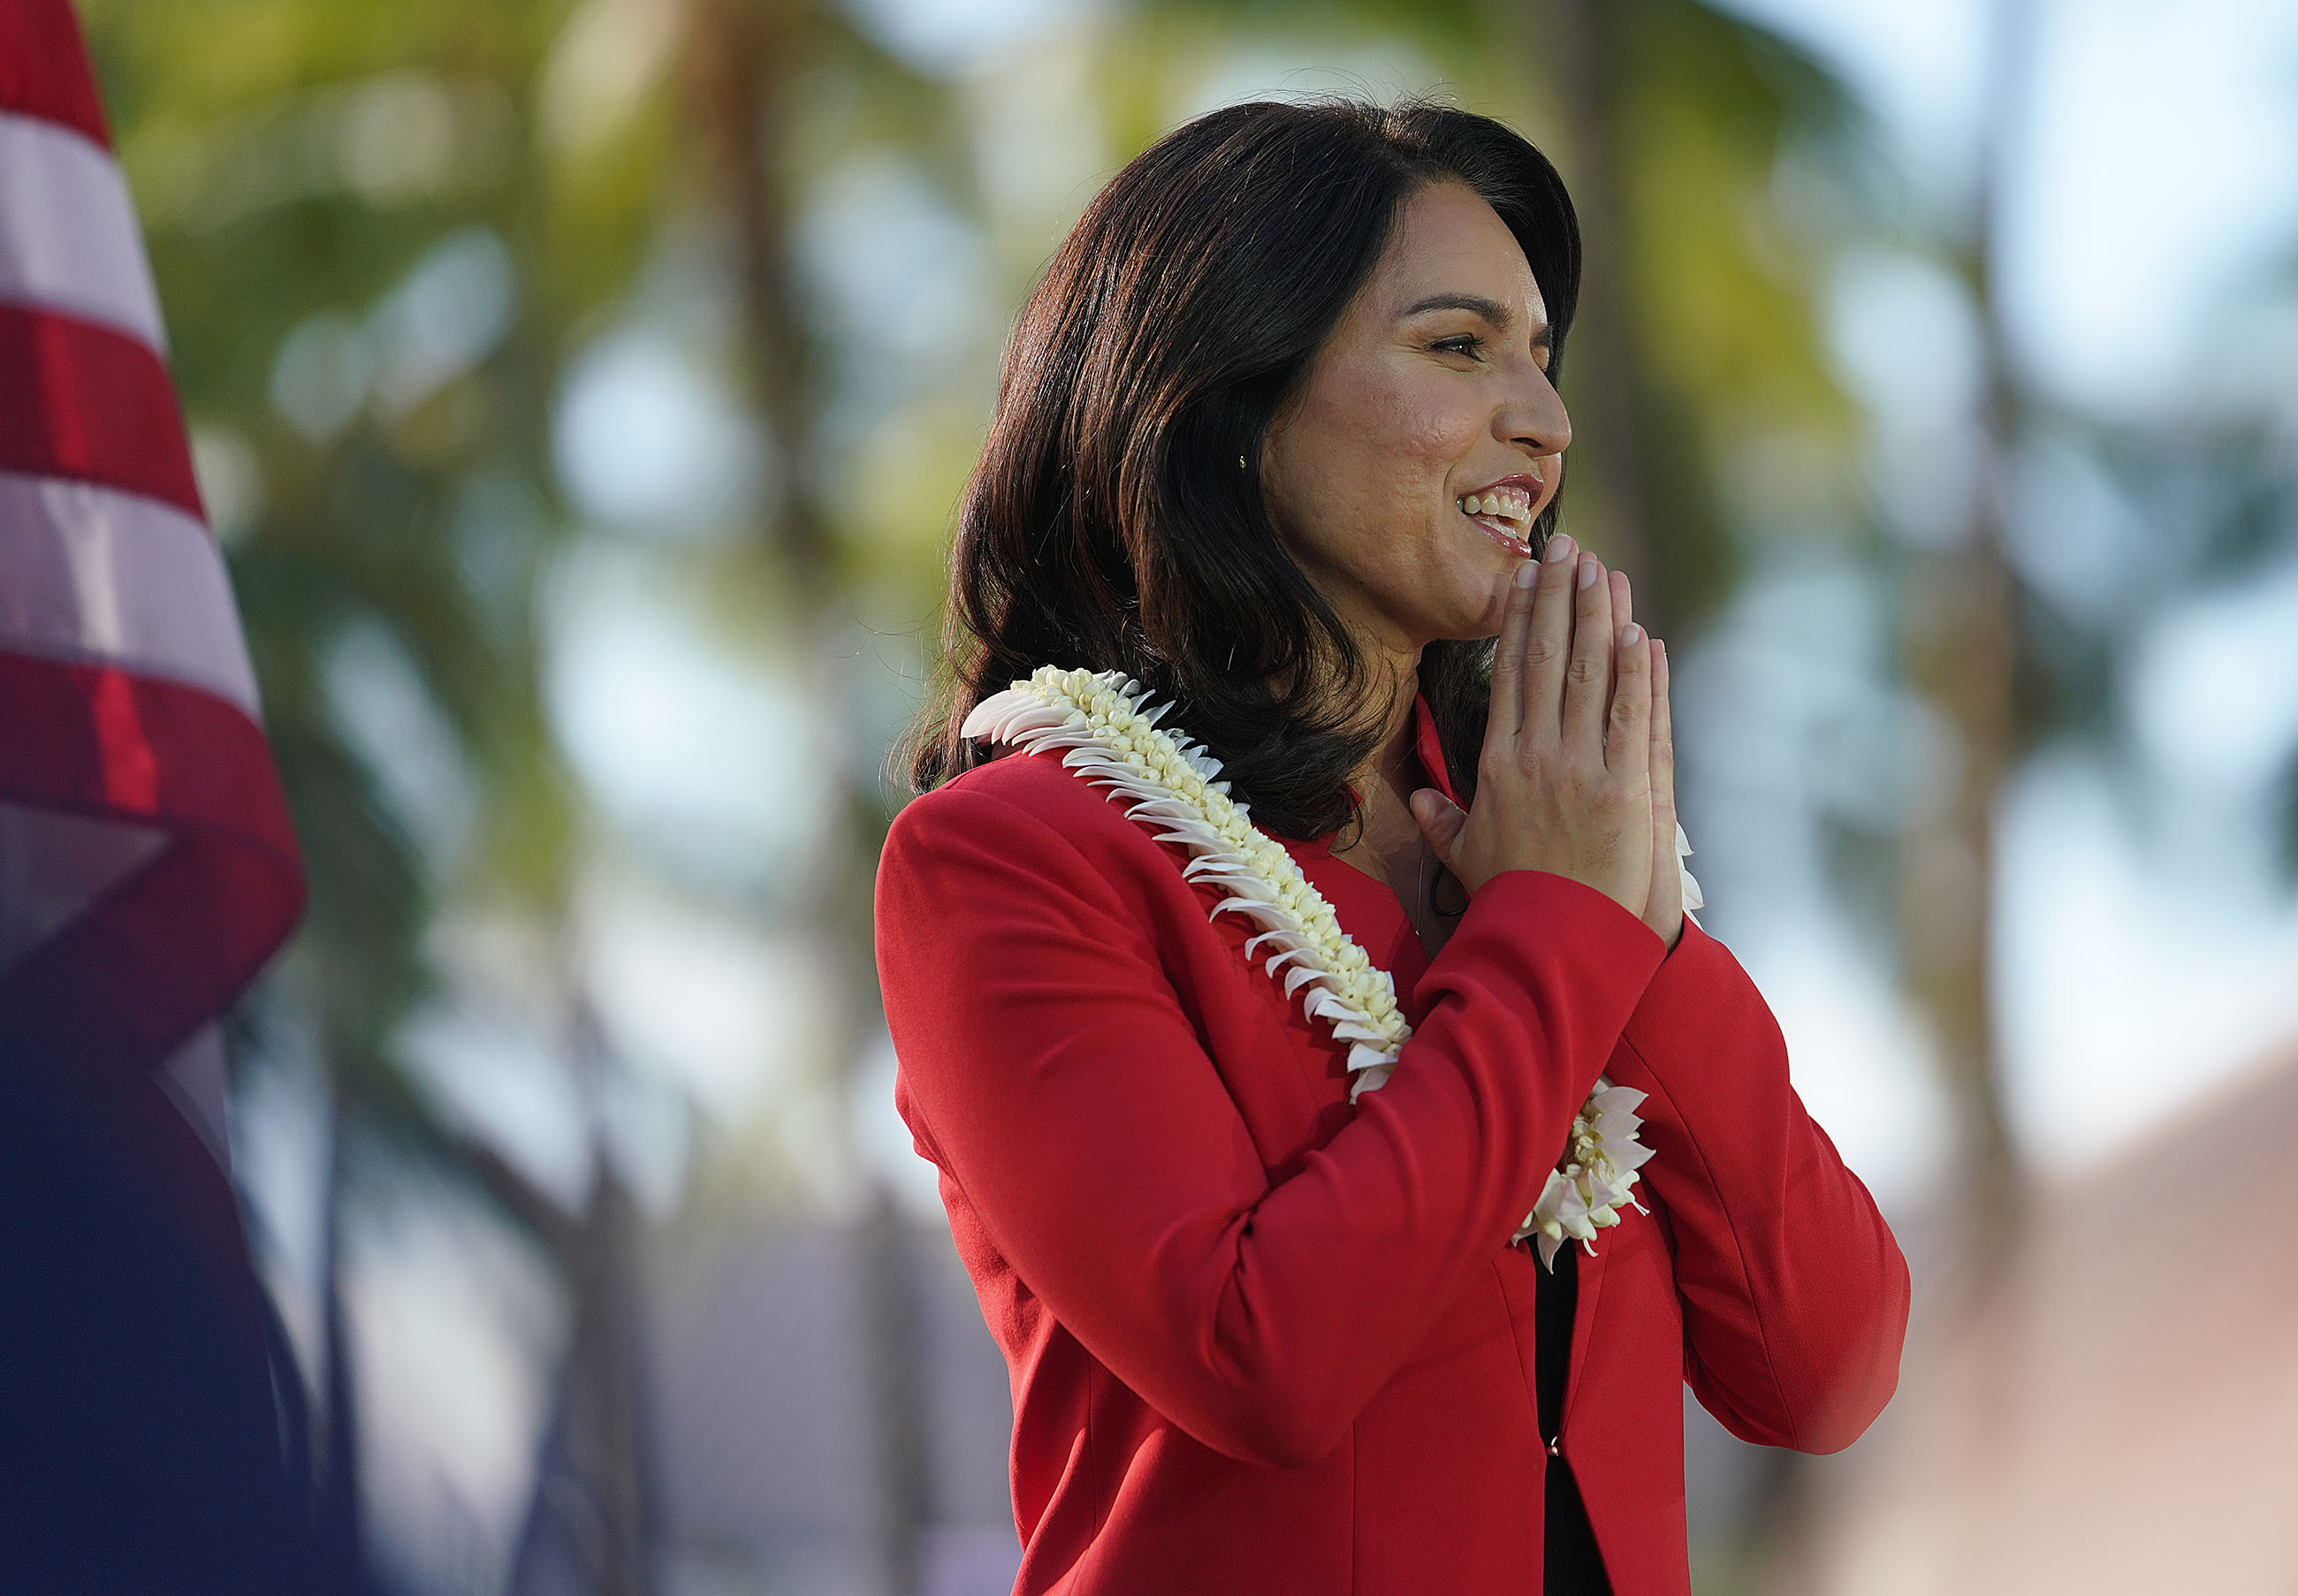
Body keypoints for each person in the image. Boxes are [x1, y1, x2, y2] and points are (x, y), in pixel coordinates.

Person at [875, 98, 1908, 1596]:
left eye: (1541, 358)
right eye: (1457, 347)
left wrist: (1640, 927)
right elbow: (1264, 1358)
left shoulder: (1530, 830)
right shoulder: (1013, 859)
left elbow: (1827, 1367)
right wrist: (1553, 930)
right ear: (1229, 405)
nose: (1542, 424)